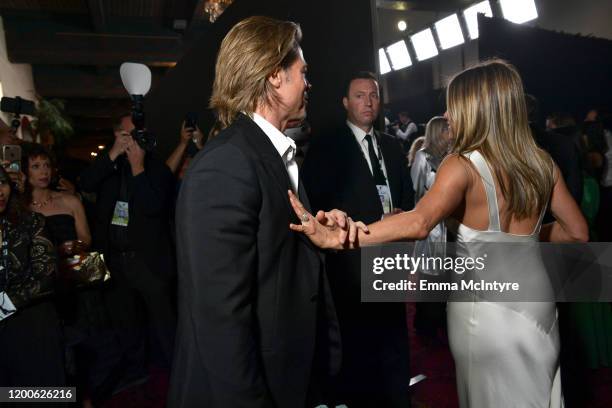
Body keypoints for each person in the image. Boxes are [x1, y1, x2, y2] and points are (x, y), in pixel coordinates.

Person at [289, 60, 588, 407]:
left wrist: (342, 236)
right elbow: (576, 232)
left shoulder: (461, 164)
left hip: (485, 311)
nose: (446, 113)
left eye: (454, 104)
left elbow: (419, 222)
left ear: (476, 108)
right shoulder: (542, 162)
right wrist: (523, 242)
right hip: (538, 305)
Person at [169, 16, 350, 408]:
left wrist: (320, 236)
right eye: (303, 72)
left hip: (290, 377)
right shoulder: (226, 164)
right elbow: (220, 321)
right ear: (273, 76)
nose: (308, 83)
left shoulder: (269, 153)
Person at [302, 71, 414, 407]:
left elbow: (408, 199)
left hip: (390, 261)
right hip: (350, 266)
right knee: (358, 351)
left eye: (374, 95)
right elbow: (317, 206)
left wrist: (400, 221)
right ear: (345, 103)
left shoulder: (393, 147)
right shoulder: (326, 148)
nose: (368, 102)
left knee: (394, 344)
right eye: (360, 95)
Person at [79, 113, 176, 391]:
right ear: (117, 135)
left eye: (138, 135)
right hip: (115, 261)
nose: (134, 141)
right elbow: (85, 183)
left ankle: (177, 374)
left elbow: (153, 207)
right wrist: (112, 154)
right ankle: (136, 373)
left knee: (163, 324)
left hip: (148, 261)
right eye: (128, 135)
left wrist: (138, 168)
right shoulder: (109, 167)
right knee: (126, 323)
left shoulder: (155, 167)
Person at [0, 165, 64, 386]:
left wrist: (4, 305)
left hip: (31, 324)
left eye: (3, 182)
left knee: (40, 395)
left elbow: (48, 277)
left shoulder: (32, 222)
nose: (0, 191)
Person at [410, 116, 453, 341]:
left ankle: (446, 327)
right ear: (439, 132)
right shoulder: (423, 156)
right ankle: (426, 327)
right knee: (429, 281)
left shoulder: (455, 157)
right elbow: (414, 191)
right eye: (448, 129)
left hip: (453, 229)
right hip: (432, 229)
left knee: (449, 282)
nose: (452, 131)